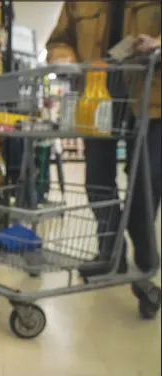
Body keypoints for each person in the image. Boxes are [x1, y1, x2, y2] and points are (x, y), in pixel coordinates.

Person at [46, 1, 161, 277]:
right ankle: (110, 253)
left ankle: (143, 244)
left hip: (152, 96)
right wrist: (65, 58)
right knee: (97, 179)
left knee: (148, 177)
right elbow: (59, 40)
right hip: (97, 98)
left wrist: (158, 43)